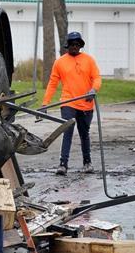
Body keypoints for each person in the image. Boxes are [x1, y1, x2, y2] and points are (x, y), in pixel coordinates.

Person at [42, 31, 103, 176]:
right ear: (67, 46)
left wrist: (93, 90)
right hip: (68, 102)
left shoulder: (89, 60)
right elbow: (52, 83)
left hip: (86, 103)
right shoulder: (60, 62)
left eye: (77, 44)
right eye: (71, 44)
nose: (74, 47)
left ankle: (87, 163)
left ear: (80, 45)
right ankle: (63, 164)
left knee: (84, 134)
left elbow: (97, 78)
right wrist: (45, 103)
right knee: (67, 132)